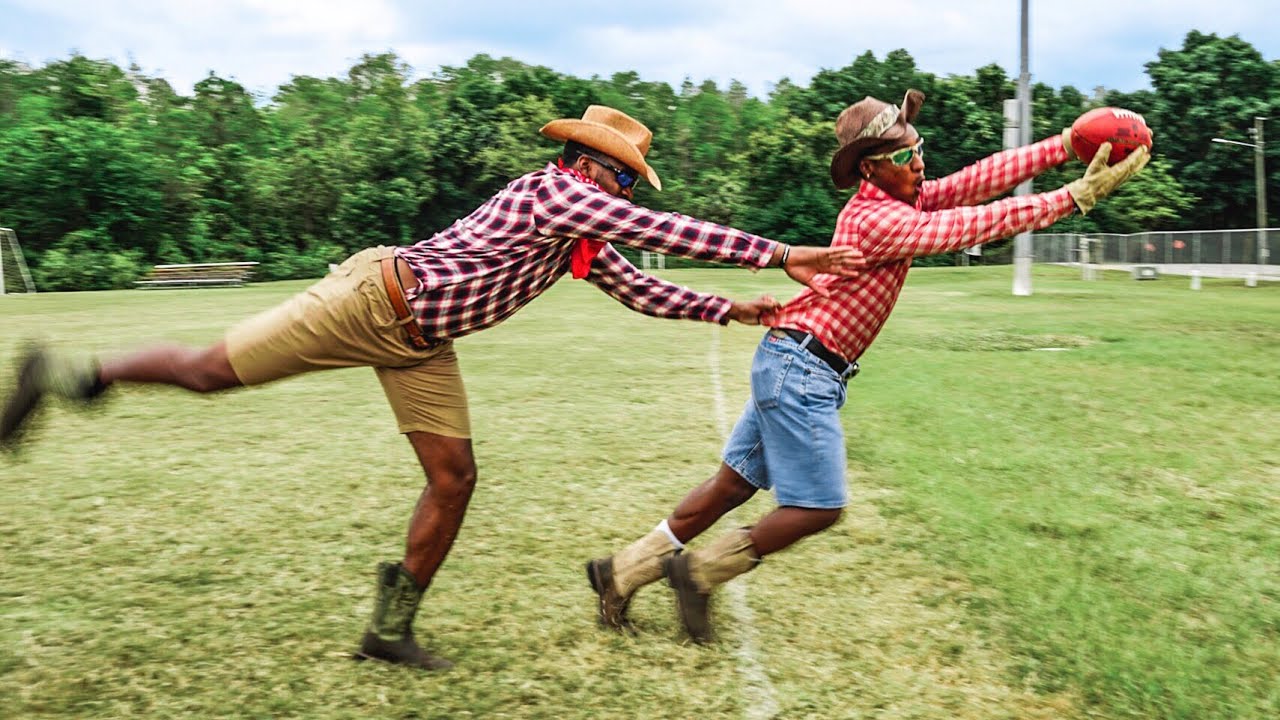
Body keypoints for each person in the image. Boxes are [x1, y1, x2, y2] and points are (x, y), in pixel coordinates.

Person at [0, 105, 862, 669]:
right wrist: (782, 254)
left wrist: (736, 309)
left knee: (454, 478)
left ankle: (389, 629)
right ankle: (70, 377)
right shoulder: (552, 196)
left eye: (633, 179)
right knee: (209, 373)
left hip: (421, 342)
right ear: (587, 164)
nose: (629, 187)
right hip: (370, 299)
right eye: (624, 174)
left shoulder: (578, 235)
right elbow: (657, 227)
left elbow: (640, 284)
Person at [585, 90, 1150, 643]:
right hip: (801, 367)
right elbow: (968, 227)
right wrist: (1073, 197)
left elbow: (979, 180)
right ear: (872, 168)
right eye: (906, 155)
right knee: (819, 506)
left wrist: (1063, 145)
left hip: (794, 360)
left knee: (731, 486)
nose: (920, 160)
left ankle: (623, 571)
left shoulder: (907, 196)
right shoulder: (877, 217)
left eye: (918, 146)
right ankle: (700, 574)